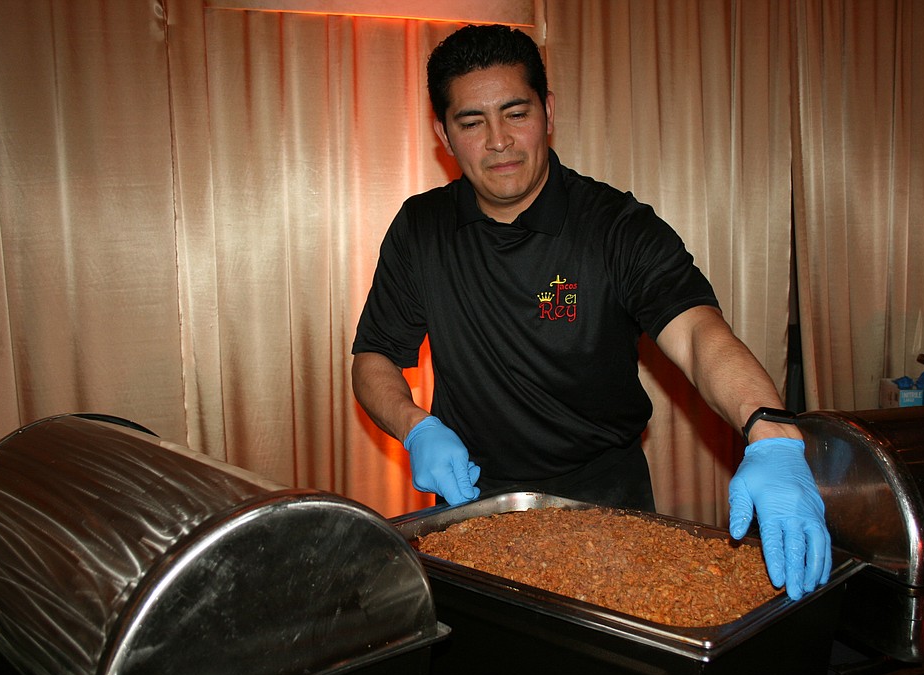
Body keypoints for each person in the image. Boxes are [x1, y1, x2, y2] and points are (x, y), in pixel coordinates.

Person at [351, 24, 830, 599]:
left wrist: (770, 433)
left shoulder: (615, 227)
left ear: (548, 112)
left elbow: (700, 334)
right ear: (443, 133)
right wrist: (415, 427)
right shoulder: (420, 229)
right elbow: (374, 356)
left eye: (516, 113)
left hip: (606, 500)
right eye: (472, 122)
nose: (499, 140)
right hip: (470, 498)